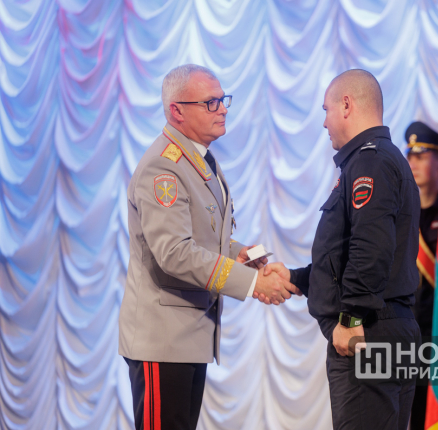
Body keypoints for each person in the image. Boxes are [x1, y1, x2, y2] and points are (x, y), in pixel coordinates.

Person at [118, 64, 298, 430]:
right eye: (210, 102)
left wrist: (237, 254)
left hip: (186, 336)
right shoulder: (163, 167)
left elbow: (200, 235)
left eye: (222, 100)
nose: (223, 109)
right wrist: (252, 284)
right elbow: (174, 253)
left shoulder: (197, 158)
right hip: (163, 340)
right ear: (177, 111)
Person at [257, 69, 421, 430]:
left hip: (369, 329)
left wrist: (351, 319)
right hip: (388, 325)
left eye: (326, 110)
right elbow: (348, 256)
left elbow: (371, 249)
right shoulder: (382, 159)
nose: (324, 123)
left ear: (346, 105)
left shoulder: (370, 161)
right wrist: (297, 278)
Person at [403, 121, 438, 430]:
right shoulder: (402, 213)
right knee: (414, 416)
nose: (413, 162)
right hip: (409, 334)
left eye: (422, 155)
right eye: (411, 156)